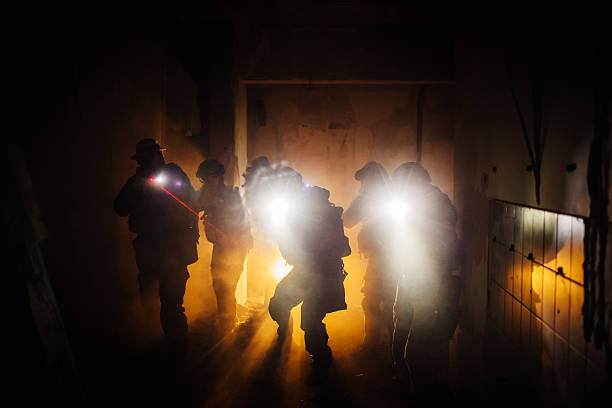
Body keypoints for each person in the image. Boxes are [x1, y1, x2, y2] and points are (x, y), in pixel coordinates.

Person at [246, 164, 351, 380]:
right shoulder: (290, 209)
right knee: (278, 304)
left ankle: (322, 361)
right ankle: (285, 333)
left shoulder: (317, 207)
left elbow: (336, 245)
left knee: (311, 320)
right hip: (305, 272)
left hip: (324, 272)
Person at [114, 138, 199, 346]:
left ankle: (177, 345)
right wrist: (137, 189)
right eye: (145, 157)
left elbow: (192, 203)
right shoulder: (136, 183)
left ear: (159, 155)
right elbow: (120, 207)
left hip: (174, 250)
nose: (149, 160)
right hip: (149, 250)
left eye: (152, 155)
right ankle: (154, 341)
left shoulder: (174, 174)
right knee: (149, 300)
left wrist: (190, 233)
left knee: (171, 303)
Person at [389, 162, 460, 392]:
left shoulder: (434, 203)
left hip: (428, 280)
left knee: (420, 339)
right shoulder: (417, 203)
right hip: (412, 275)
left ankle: (422, 388)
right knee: (402, 323)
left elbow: (437, 243)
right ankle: (407, 379)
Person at [342, 162, 395, 355]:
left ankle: (373, 346)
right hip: (399, 257)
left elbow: (347, 221)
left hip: (382, 257)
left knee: (373, 300)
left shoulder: (367, 198)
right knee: (391, 300)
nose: (363, 184)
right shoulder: (393, 196)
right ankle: (391, 346)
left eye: (364, 179)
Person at [196, 159, 252, 333]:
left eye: (211, 176)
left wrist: (215, 214)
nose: (208, 181)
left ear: (219, 176)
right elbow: (193, 205)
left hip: (235, 245)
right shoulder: (207, 194)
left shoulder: (231, 195)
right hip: (221, 246)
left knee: (226, 285)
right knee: (220, 286)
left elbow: (238, 221)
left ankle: (227, 328)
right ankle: (227, 323)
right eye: (205, 178)